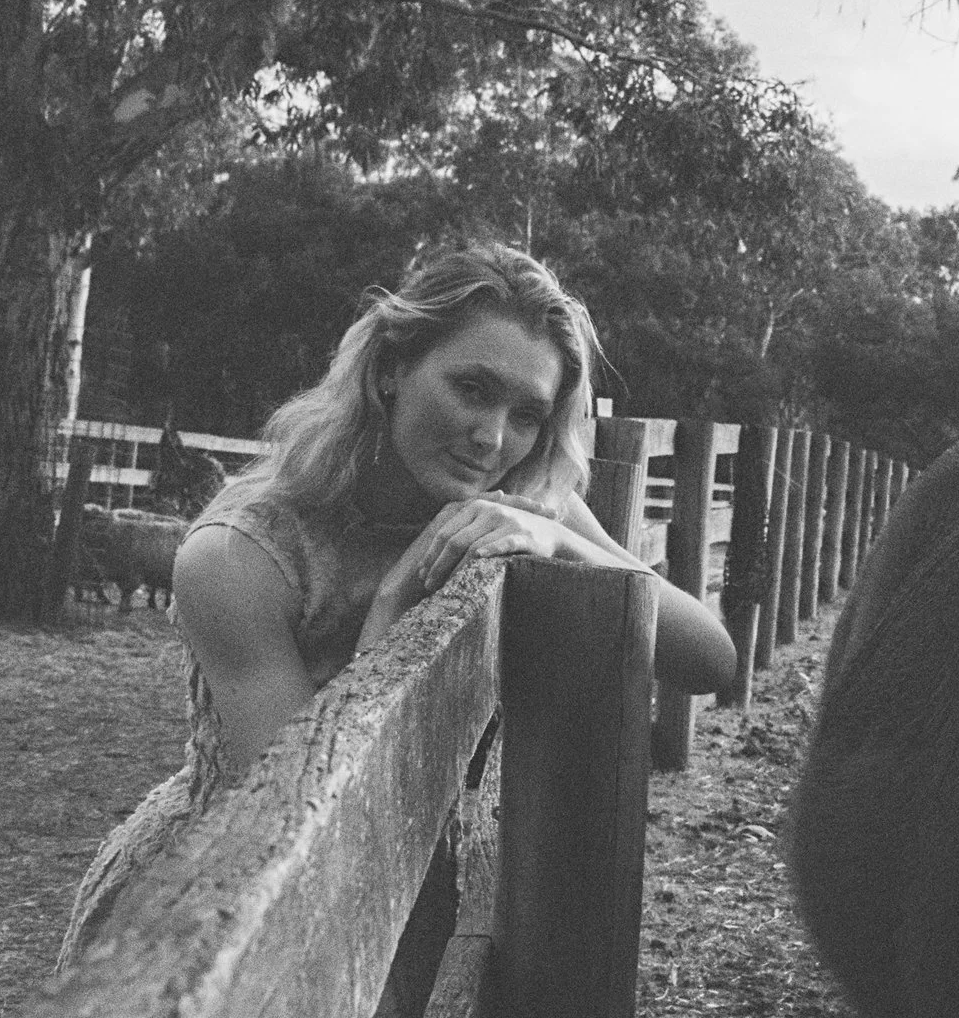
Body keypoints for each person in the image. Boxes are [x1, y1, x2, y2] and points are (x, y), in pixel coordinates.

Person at [56, 242, 737, 967]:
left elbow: (709, 659)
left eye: (529, 414)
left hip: (416, 907)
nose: (492, 437)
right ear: (390, 369)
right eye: (472, 388)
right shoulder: (242, 555)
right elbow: (311, 834)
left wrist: (558, 540)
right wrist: (390, 609)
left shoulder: (523, 505)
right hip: (221, 925)